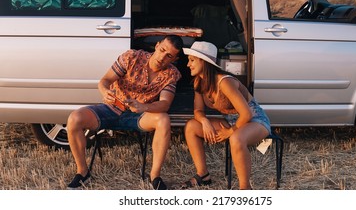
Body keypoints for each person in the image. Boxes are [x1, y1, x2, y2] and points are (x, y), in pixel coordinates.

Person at [66, 35, 183, 190]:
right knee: (75, 118)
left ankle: (155, 176)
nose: (162, 57)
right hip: (111, 108)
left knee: (163, 120)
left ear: (174, 59)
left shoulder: (171, 74)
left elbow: (165, 104)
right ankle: (82, 171)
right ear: (156, 46)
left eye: (169, 56)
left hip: (139, 116)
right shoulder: (132, 57)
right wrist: (105, 91)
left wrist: (143, 107)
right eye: (162, 50)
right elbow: (105, 80)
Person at [182, 41, 271, 190]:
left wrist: (230, 132)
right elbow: (198, 111)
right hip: (232, 121)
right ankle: (203, 175)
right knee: (191, 126)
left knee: (236, 138)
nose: (188, 65)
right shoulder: (199, 82)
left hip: (255, 120)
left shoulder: (224, 82)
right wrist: (204, 121)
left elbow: (246, 114)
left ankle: (245, 188)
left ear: (204, 62)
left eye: (192, 60)